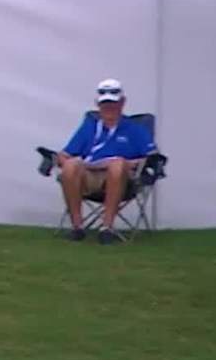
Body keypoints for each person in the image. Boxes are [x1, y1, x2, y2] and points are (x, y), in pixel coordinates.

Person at [51, 78, 156, 243]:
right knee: (71, 165)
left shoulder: (136, 129)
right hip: (89, 175)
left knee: (117, 165)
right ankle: (77, 227)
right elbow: (65, 154)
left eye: (113, 104)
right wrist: (69, 163)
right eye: (105, 104)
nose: (109, 108)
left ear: (122, 102)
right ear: (97, 104)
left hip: (121, 178)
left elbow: (152, 158)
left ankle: (106, 228)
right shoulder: (90, 126)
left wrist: (127, 163)